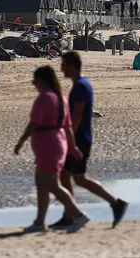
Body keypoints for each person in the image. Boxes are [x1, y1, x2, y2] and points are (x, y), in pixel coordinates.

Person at [50, 51, 128, 229]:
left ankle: (113, 203)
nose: (61, 68)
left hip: (79, 139)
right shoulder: (81, 84)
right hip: (79, 138)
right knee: (68, 176)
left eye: (63, 65)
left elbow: (76, 116)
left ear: (71, 65)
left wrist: (69, 141)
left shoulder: (80, 86)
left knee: (77, 178)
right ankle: (70, 214)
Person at [13, 66, 89, 233]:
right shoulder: (61, 98)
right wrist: (72, 147)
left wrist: (20, 142)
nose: (34, 85)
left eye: (35, 82)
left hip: (49, 145)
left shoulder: (44, 98)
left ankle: (77, 214)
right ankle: (39, 222)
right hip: (56, 142)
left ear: (41, 80)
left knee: (52, 185)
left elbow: (34, 123)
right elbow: (68, 127)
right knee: (41, 185)